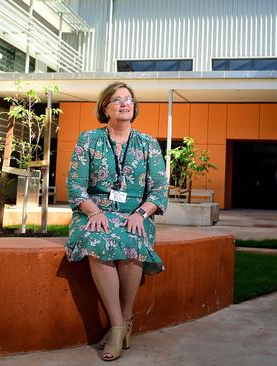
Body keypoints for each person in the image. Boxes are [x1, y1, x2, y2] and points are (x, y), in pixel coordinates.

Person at [65, 82, 168, 361]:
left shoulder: (148, 144)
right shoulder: (89, 139)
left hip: (135, 214)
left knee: (132, 243)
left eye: (129, 100)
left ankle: (121, 324)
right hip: (94, 211)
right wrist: (94, 212)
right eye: (117, 99)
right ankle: (119, 325)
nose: (125, 104)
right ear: (105, 107)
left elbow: (159, 189)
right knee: (98, 241)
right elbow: (75, 184)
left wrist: (141, 214)